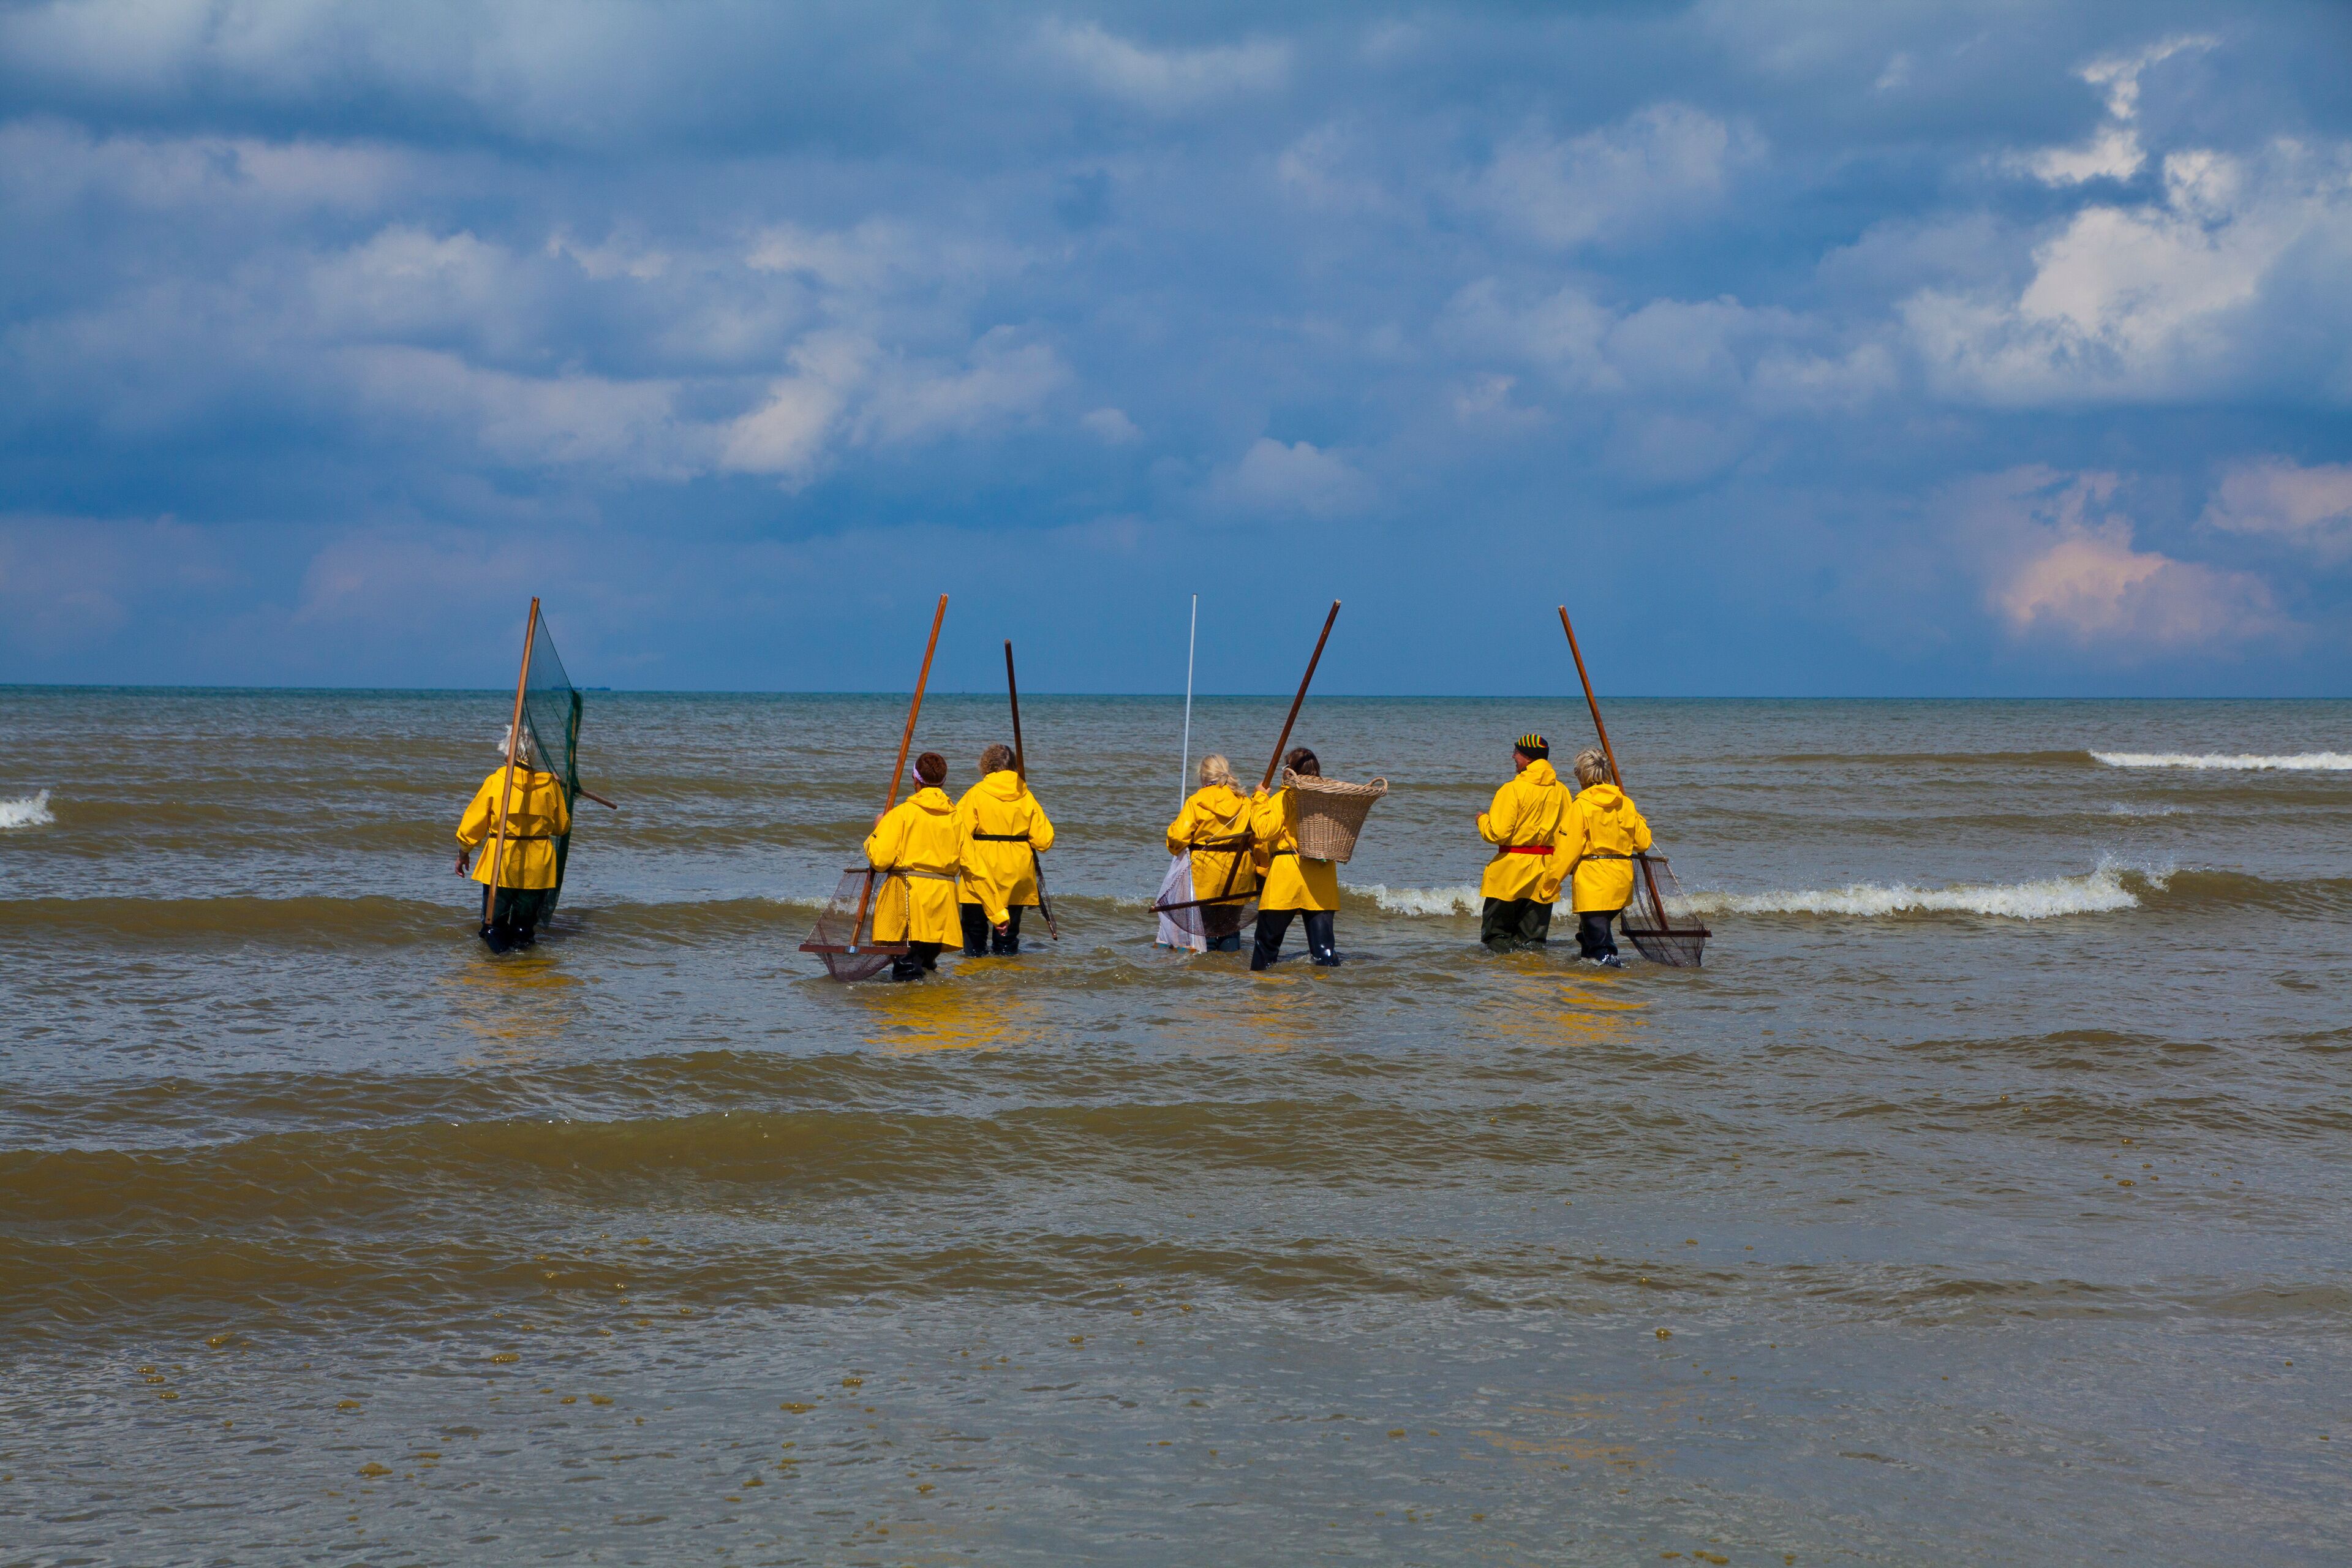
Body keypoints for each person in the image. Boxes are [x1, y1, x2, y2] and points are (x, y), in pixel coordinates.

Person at [454, 727, 572, 952]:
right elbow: (561, 827)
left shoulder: (497, 781)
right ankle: (524, 971)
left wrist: (463, 854)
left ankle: (499, 969)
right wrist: (556, 788)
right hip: (537, 866)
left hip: (502, 862)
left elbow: (473, 825)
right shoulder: (549, 784)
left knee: (493, 926)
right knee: (523, 930)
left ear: (507, 751)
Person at [863, 751, 963, 981]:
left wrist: (878, 829)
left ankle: (910, 1013)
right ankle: (929, 1013)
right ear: (943, 782)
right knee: (926, 963)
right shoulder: (956, 817)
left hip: (909, 899)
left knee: (906, 969)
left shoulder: (902, 814)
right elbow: (974, 867)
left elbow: (879, 861)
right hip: (942, 902)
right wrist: (997, 914)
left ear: (915, 780)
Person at [1475, 732, 1574, 953]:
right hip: (1545, 872)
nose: (1513, 757)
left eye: (1516, 753)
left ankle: (1503, 983)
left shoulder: (1512, 789)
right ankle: (1531, 982)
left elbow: (1497, 834)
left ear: (1528, 758)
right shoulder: (1562, 792)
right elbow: (1568, 835)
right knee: (1533, 942)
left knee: (1496, 937)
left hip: (1510, 872)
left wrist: (1482, 820)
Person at [956, 743, 1056, 957]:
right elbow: (1045, 840)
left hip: (981, 871)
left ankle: (975, 978)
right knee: (1008, 938)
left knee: (974, 934)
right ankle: (1006, 980)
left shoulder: (976, 794)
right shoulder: (1025, 795)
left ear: (986, 766)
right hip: (1017, 873)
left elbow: (956, 833)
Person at [1559, 746, 1653, 967]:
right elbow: (1643, 841)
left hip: (1593, 884)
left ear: (1581, 775)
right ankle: (1592, 980)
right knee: (1589, 933)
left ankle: (1609, 981)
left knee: (1601, 943)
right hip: (1620, 883)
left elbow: (1567, 851)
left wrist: (1551, 882)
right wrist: (1636, 816)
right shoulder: (1625, 803)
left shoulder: (1580, 806)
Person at [1248, 746, 1341, 970]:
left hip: (1287, 875)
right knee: (1324, 950)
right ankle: (1328, 996)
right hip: (1321, 875)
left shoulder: (1285, 797)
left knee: (1266, 947)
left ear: (1289, 771)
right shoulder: (1328, 798)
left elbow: (1264, 830)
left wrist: (1260, 798)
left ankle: (1263, 992)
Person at [1165, 753, 1258, 952]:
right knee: (1230, 929)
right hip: (1238, 876)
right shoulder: (1245, 803)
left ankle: (1207, 975)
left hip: (1204, 876)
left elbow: (1178, 838)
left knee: (1204, 931)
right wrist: (1263, 871)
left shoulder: (1197, 801)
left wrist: (1173, 836)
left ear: (1203, 776)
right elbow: (1259, 842)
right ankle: (1229, 973)